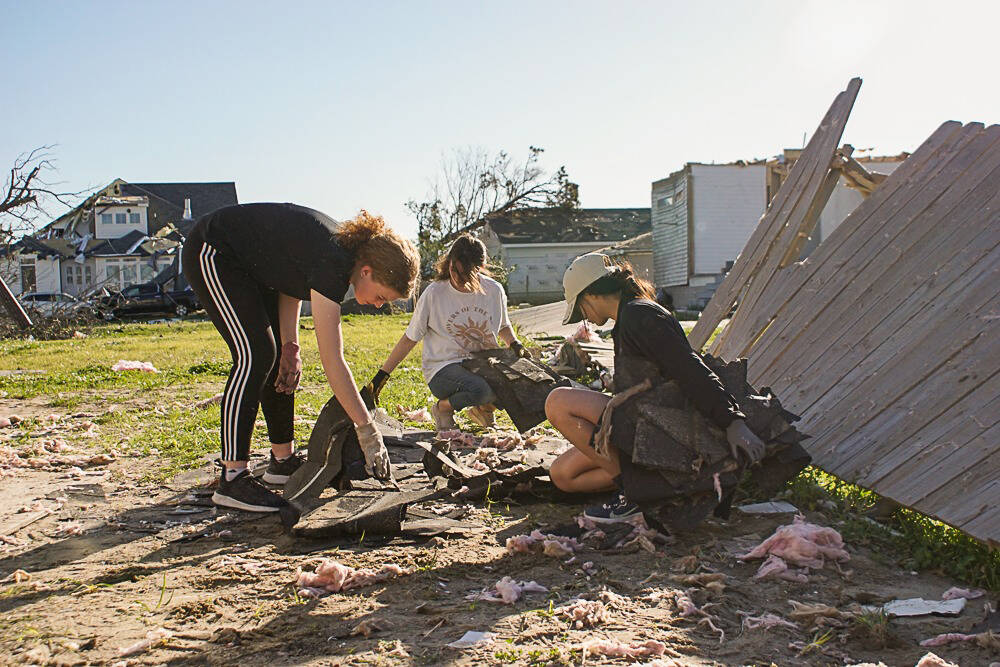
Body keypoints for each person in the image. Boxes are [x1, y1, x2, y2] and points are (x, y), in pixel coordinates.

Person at [181, 203, 419, 512]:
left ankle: (281, 461)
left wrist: (291, 346)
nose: (377, 305)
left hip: (254, 269)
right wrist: (366, 427)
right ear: (366, 271)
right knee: (255, 354)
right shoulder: (334, 261)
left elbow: (289, 280)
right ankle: (233, 477)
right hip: (213, 252)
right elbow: (334, 360)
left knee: (279, 356)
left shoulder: (340, 255)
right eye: (382, 297)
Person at [544, 253, 765, 523]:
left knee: (557, 402)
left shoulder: (640, 314)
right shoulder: (628, 316)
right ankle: (658, 485)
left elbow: (690, 368)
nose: (584, 319)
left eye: (580, 309)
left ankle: (636, 494)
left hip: (667, 429)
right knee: (563, 475)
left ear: (591, 294)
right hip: (647, 426)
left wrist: (732, 421)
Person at [371, 234, 527, 430]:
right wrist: (382, 376)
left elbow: (503, 324)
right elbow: (410, 338)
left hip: (481, 363)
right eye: (455, 270)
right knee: (481, 389)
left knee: (517, 385)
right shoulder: (435, 293)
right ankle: (443, 409)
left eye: (466, 274)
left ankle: (483, 409)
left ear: (480, 268)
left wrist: (514, 343)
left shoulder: (494, 291)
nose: (458, 279)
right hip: (443, 368)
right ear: (449, 263)